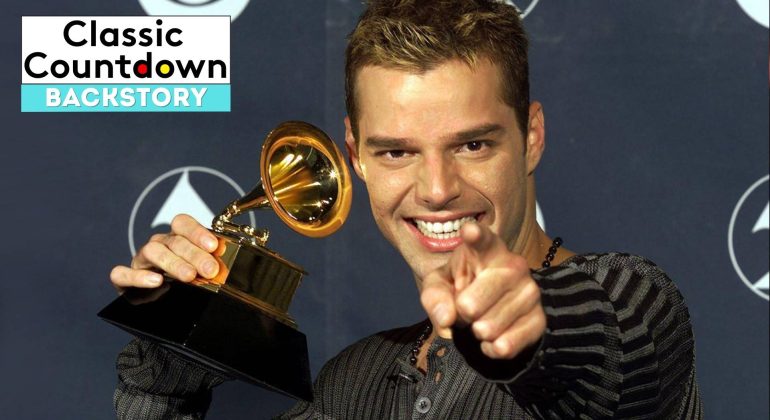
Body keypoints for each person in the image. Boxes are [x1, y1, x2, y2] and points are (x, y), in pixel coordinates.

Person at [109, 0, 703, 418]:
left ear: (533, 138)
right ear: (355, 157)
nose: (437, 188)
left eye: (472, 144)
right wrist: (170, 369)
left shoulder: (639, 304)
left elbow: (612, 348)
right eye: (396, 151)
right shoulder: (355, 383)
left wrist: (534, 327)